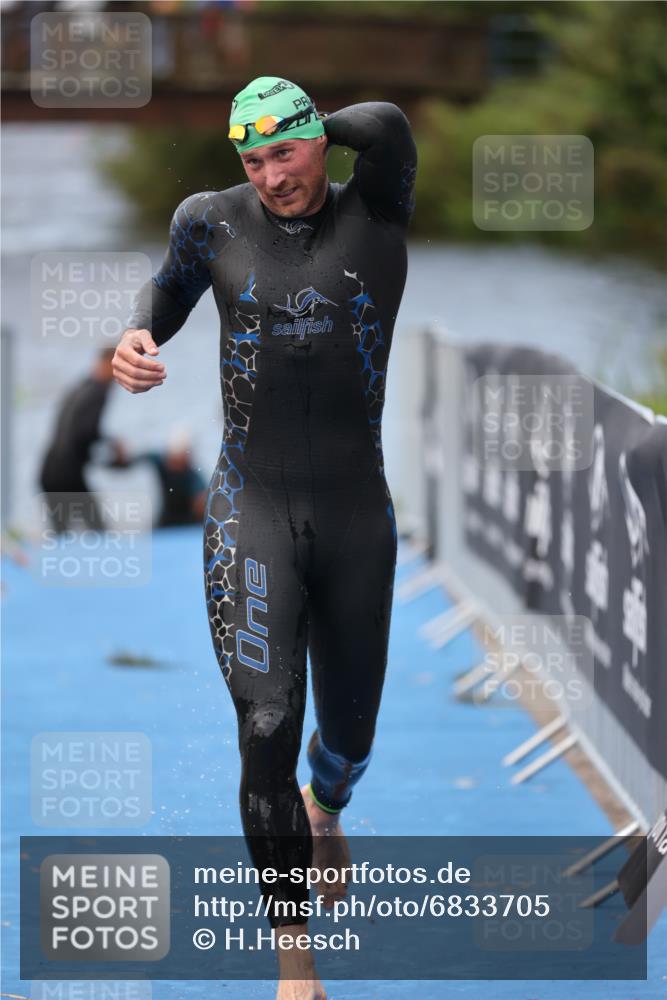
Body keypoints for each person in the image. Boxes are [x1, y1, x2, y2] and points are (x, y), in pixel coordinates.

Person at [113, 75, 417, 999]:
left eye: (284, 152)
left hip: (357, 513)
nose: (271, 175)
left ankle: (329, 804)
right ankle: (294, 960)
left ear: (319, 144)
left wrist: (302, 122)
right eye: (253, 160)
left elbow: (390, 122)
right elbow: (160, 300)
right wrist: (132, 338)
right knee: (265, 725)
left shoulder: (381, 204)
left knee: (349, 732)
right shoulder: (211, 222)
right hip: (249, 513)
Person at [39, 347, 123, 533]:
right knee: (98, 529)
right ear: (107, 364)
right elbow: (86, 433)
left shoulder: (81, 386)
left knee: (62, 534)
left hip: (50, 470)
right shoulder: (98, 392)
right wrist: (112, 448)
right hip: (67, 475)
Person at [127, 427, 207, 528]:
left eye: (183, 458)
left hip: (188, 525)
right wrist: (123, 457)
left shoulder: (193, 477)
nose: (175, 465)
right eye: (174, 458)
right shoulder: (159, 461)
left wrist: (201, 503)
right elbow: (131, 459)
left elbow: (201, 500)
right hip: (165, 523)